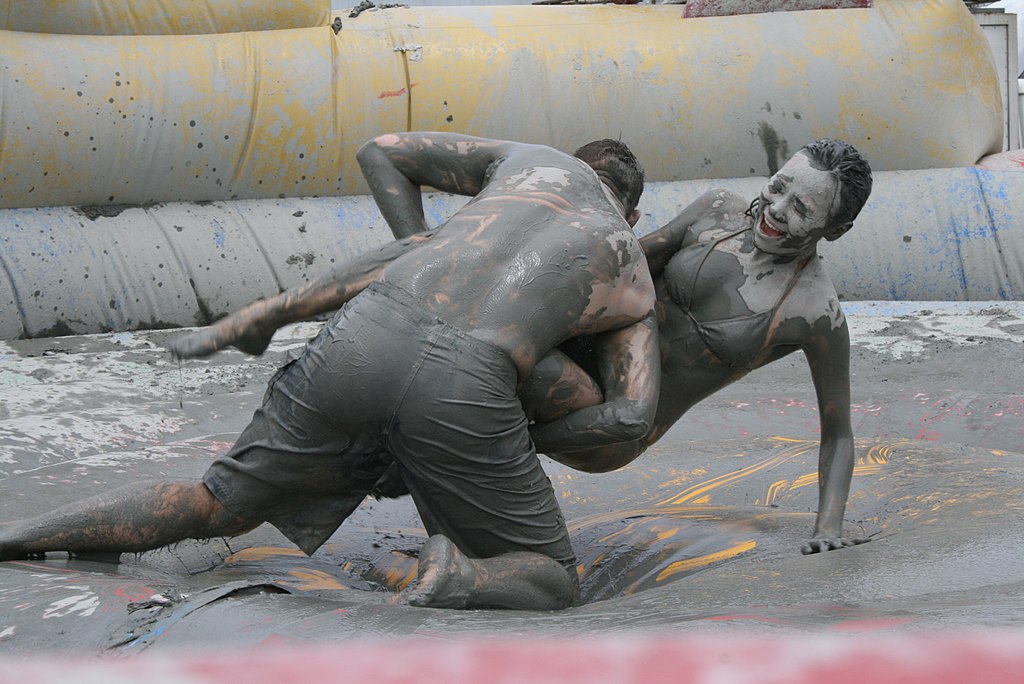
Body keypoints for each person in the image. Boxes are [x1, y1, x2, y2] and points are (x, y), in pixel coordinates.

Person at [0, 132, 662, 611]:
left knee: (213, 502)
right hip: (468, 383)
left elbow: (382, 151)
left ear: (573, 162)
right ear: (631, 215)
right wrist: (523, 441)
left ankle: (15, 537)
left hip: (366, 330)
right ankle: (452, 573)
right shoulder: (630, 269)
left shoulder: (530, 162)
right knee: (551, 577)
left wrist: (417, 243)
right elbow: (632, 415)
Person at [169, 138, 873, 556]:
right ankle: (301, 357)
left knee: (460, 387)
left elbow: (837, 430)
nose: (776, 212)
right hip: (574, 359)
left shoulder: (813, 312)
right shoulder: (717, 210)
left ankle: (394, 440)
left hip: (607, 420)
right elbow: (634, 253)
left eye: (801, 210)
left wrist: (829, 525)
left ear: (833, 231)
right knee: (457, 327)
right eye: (779, 187)